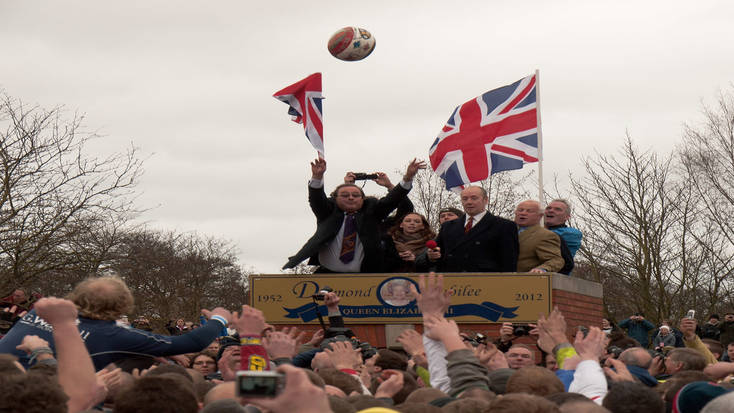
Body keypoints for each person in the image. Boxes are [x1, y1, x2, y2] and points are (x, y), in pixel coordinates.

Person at [0, 276, 232, 370]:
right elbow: (191, 342)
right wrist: (219, 318)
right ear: (123, 307)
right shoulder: (115, 335)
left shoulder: (41, 312)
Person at [283, 158, 425, 273]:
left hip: (366, 277)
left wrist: (408, 177)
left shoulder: (372, 212)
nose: (351, 198)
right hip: (328, 275)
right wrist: (317, 177)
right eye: (345, 195)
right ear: (336, 199)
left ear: (362, 199)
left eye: (355, 195)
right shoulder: (327, 212)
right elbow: (316, 199)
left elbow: (393, 200)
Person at [427, 186, 518, 272]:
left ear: (486, 200)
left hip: (486, 282)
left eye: (474, 198)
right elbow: (438, 255)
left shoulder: (504, 226)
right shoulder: (448, 226)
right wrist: (432, 256)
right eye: (465, 199)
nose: (469, 202)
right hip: (452, 282)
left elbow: (509, 261)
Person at [515, 200, 564, 273]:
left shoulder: (546, 235)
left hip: (523, 280)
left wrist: (542, 269)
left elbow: (556, 260)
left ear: (540, 216)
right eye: (520, 210)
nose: (523, 213)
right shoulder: (504, 231)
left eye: (529, 211)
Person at [544, 199, 583, 275]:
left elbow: (547, 237)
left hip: (555, 279)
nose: (551, 211)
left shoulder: (572, 234)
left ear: (567, 217)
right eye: (548, 208)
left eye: (557, 209)